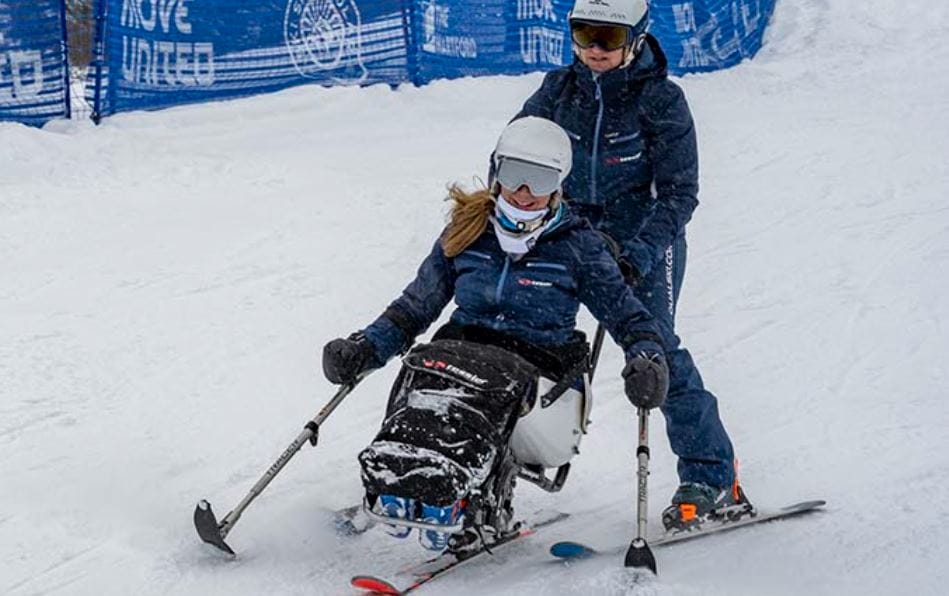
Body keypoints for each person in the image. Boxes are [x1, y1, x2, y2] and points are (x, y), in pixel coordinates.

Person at [322, 116, 670, 551]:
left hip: (543, 381)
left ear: (559, 184)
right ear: (496, 173)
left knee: (493, 381)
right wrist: (365, 347)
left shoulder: (579, 247)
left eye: (539, 179)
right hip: (463, 356)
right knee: (421, 368)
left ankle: (481, 503)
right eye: (514, 175)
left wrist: (647, 358)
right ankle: (400, 475)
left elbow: (628, 316)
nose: (524, 192)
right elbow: (415, 308)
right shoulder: (468, 232)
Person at [509, 0, 745, 530]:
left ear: (635, 39)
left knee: (653, 346)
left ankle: (711, 475)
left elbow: (679, 196)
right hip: (569, 229)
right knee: (517, 321)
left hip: (644, 235)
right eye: (583, 35)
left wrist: (637, 252)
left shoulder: (660, 100)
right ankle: (501, 449)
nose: (594, 49)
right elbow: (514, 153)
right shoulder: (558, 90)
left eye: (608, 38)